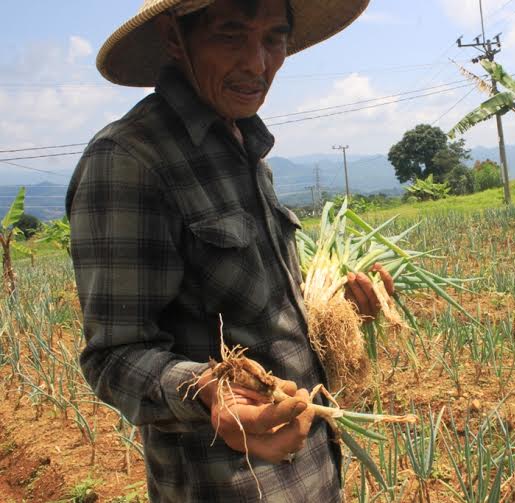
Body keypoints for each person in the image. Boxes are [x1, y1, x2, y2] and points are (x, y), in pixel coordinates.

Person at [65, 1, 391, 501]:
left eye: (274, 39)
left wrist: (338, 310)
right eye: (232, 34)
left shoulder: (247, 150)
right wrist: (206, 391)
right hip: (228, 487)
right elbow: (112, 357)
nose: (258, 63)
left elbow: (260, 312)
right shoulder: (129, 160)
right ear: (175, 37)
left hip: (314, 477)